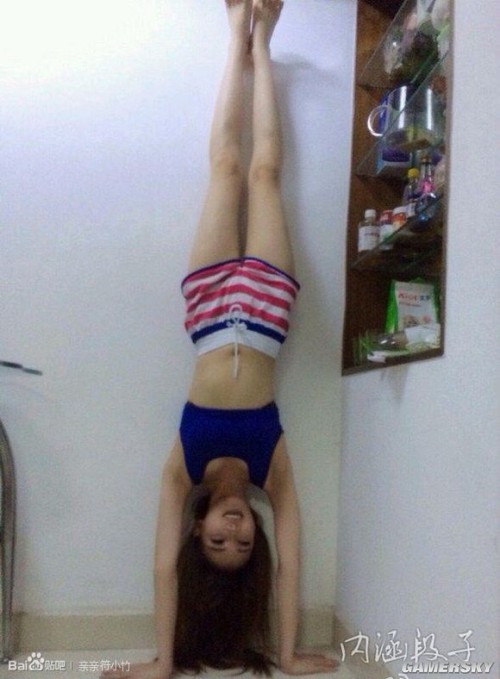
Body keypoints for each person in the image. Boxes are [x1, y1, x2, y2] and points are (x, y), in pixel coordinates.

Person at [101, 1, 338, 677]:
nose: (233, 533)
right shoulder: (271, 470)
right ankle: (264, 44)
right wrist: (286, 653)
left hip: (208, 310)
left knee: (226, 170)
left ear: (198, 528)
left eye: (215, 542)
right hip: (267, 306)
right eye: (242, 542)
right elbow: (290, 562)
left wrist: (163, 661)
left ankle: (236, 32)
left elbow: (161, 567)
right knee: (264, 174)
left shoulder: (182, 469)